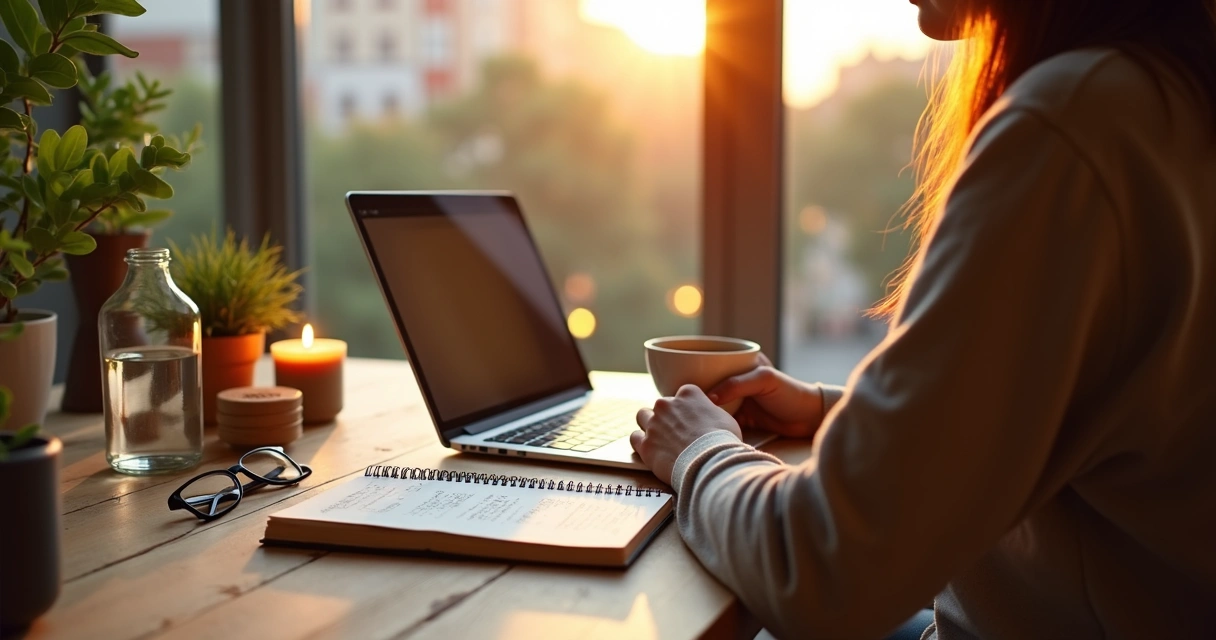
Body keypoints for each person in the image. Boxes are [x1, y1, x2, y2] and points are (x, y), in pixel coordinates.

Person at [629, 0, 1216, 637]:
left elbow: (828, 568)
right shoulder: (1167, 95)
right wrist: (835, 413)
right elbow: (1077, 410)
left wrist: (699, 452)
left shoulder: (1073, 125)